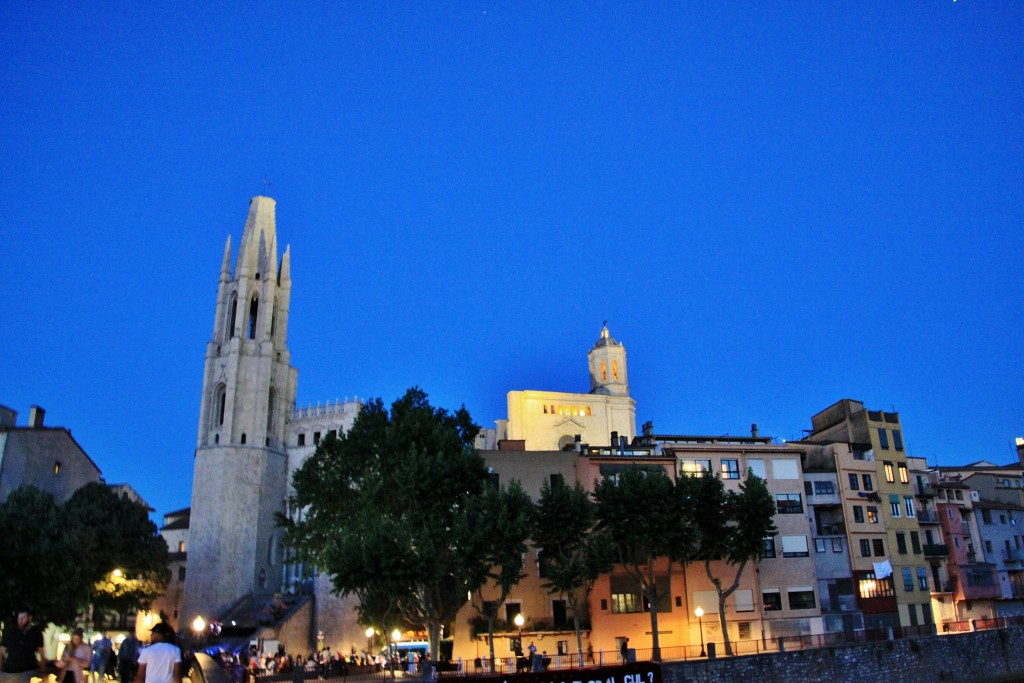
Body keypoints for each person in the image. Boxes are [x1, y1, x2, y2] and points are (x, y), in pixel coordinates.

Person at [0, 609, 47, 683]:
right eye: (19, 618)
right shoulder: (9, 632)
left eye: (23, 618)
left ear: (30, 618)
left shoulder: (36, 633)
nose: (20, 621)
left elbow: (41, 652)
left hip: (28, 670)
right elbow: (2, 652)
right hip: (9, 670)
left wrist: (43, 669)